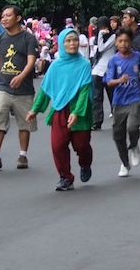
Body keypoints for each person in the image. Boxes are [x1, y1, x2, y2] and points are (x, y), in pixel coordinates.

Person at [26, 28, 93, 191]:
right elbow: (45, 89)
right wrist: (34, 109)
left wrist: (77, 112)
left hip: (80, 109)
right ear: (62, 44)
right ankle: (65, 177)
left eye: (75, 40)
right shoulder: (55, 66)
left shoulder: (84, 64)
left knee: (82, 145)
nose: (72, 44)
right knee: (58, 145)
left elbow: (85, 91)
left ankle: (85, 165)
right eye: (68, 41)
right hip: (60, 110)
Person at [0, 5, 39, 171]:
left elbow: (31, 61)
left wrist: (21, 76)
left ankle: (23, 155)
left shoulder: (28, 38)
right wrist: (2, 77)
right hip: (3, 86)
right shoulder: (0, 38)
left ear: (18, 18)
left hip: (24, 88)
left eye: (8, 16)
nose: (4, 19)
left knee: (24, 123)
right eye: (3, 17)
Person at [104, 28, 140, 176]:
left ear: (131, 42)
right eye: (120, 41)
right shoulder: (113, 60)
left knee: (133, 127)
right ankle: (124, 162)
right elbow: (109, 82)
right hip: (119, 101)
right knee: (118, 134)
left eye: (126, 41)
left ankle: (134, 145)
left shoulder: (138, 57)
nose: (123, 44)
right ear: (116, 43)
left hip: (135, 98)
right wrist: (120, 80)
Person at [90, 16, 115, 131]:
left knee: (113, 96)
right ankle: (97, 122)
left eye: (104, 27)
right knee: (97, 98)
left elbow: (101, 48)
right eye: (100, 27)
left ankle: (117, 118)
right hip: (97, 71)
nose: (102, 29)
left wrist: (100, 35)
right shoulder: (95, 38)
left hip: (108, 71)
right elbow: (94, 53)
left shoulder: (114, 37)